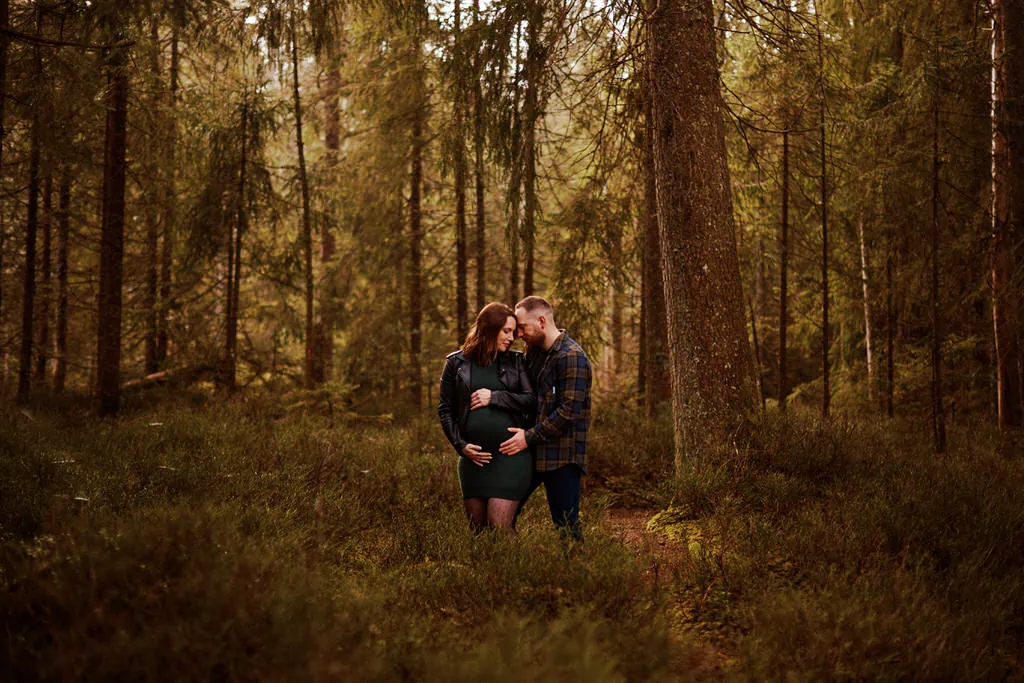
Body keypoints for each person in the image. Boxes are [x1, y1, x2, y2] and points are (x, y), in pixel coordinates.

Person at [500, 296, 592, 542]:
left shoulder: (572, 356)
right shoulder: (533, 355)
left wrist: (527, 438)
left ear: (541, 321)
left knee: (566, 526)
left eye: (522, 327)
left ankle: (579, 575)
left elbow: (568, 412)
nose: (519, 334)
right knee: (503, 514)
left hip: (561, 457)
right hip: (531, 454)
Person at [438, 303, 537, 531]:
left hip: (510, 456)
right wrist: (460, 445)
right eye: (506, 331)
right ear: (489, 329)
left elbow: (532, 400)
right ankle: (489, 569)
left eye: (513, 331)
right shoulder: (456, 363)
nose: (512, 337)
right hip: (473, 460)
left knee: (499, 525)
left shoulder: (516, 361)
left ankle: (518, 568)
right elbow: (445, 409)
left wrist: (495, 397)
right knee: (478, 531)